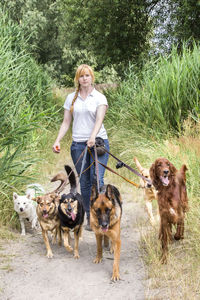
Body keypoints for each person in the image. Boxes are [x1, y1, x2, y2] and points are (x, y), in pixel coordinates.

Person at [52, 64, 109, 231]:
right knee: (83, 183)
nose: (84, 78)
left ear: (92, 77)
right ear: (77, 79)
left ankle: (101, 215)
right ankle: (89, 218)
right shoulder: (71, 98)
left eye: (87, 75)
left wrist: (92, 137)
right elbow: (66, 122)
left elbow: (99, 120)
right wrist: (57, 140)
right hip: (78, 145)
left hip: (98, 143)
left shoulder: (100, 98)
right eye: (81, 76)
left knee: (96, 180)